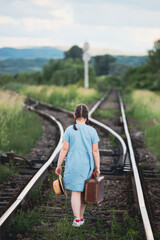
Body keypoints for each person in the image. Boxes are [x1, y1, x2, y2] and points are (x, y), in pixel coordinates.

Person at [55, 104, 100, 227]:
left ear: (74, 115)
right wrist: (97, 168)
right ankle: (81, 217)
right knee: (84, 191)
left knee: (75, 192)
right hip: (87, 166)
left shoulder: (70, 130)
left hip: (73, 165)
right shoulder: (92, 131)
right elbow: (95, 151)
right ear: (87, 116)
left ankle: (77, 219)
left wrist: (59, 165)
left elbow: (64, 149)